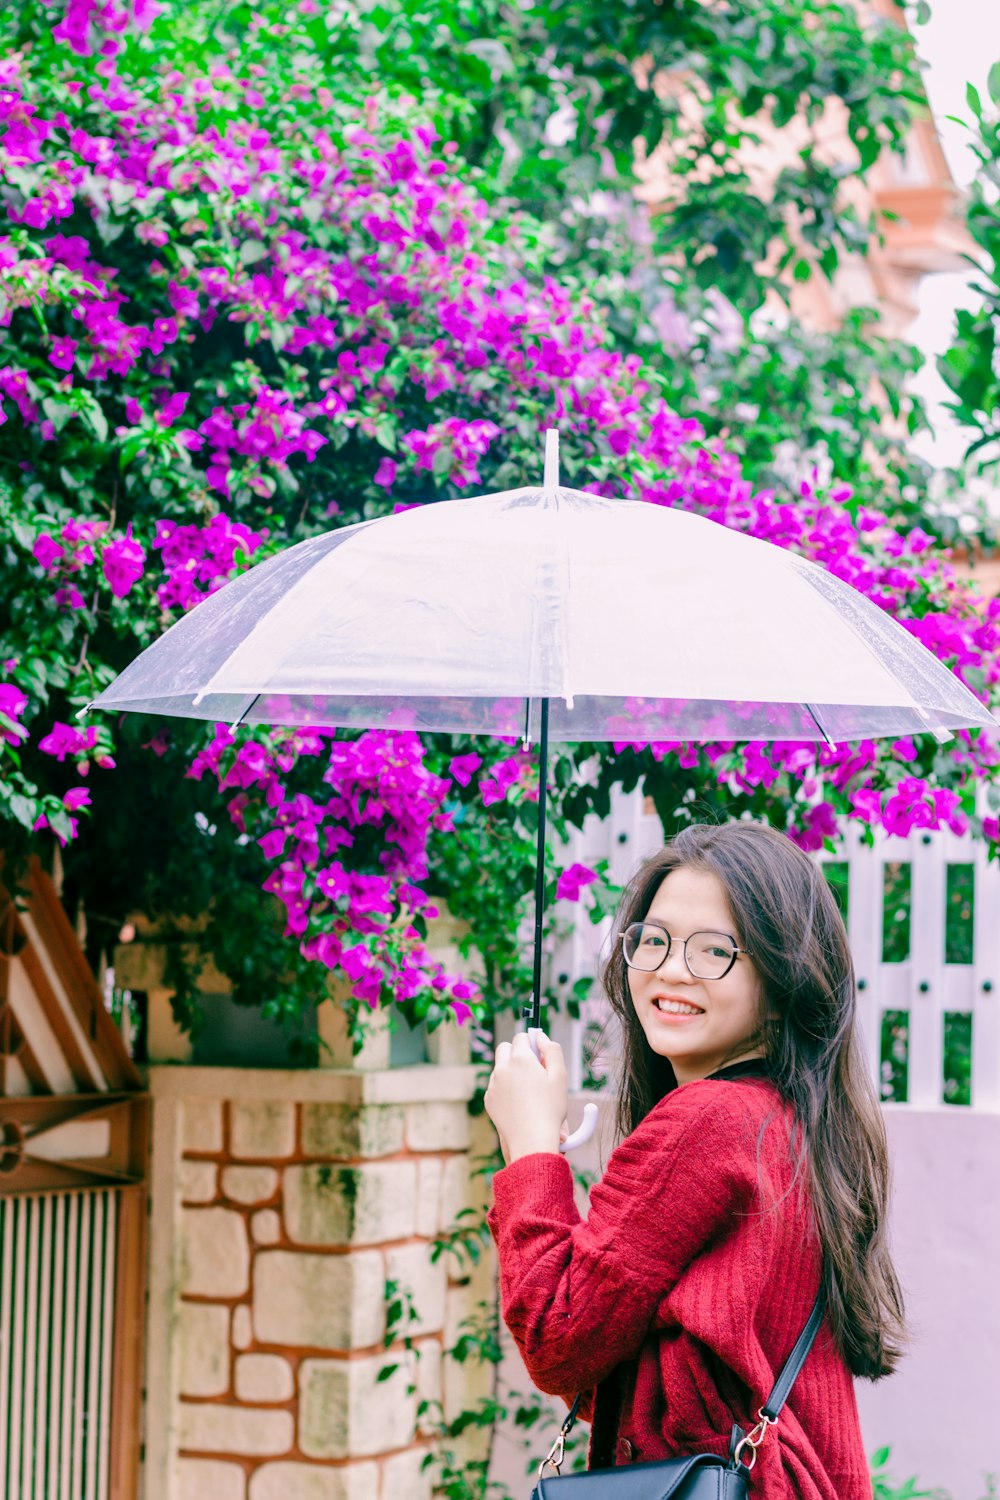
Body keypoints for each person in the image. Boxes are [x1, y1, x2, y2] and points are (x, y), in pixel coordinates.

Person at [484, 821, 904, 1499]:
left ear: (784, 976)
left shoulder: (707, 1122)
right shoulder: (792, 1120)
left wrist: (529, 1149)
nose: (670, 969)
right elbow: (635, 1378)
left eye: (715, 951)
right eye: (653, 940)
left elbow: (559, 1341)